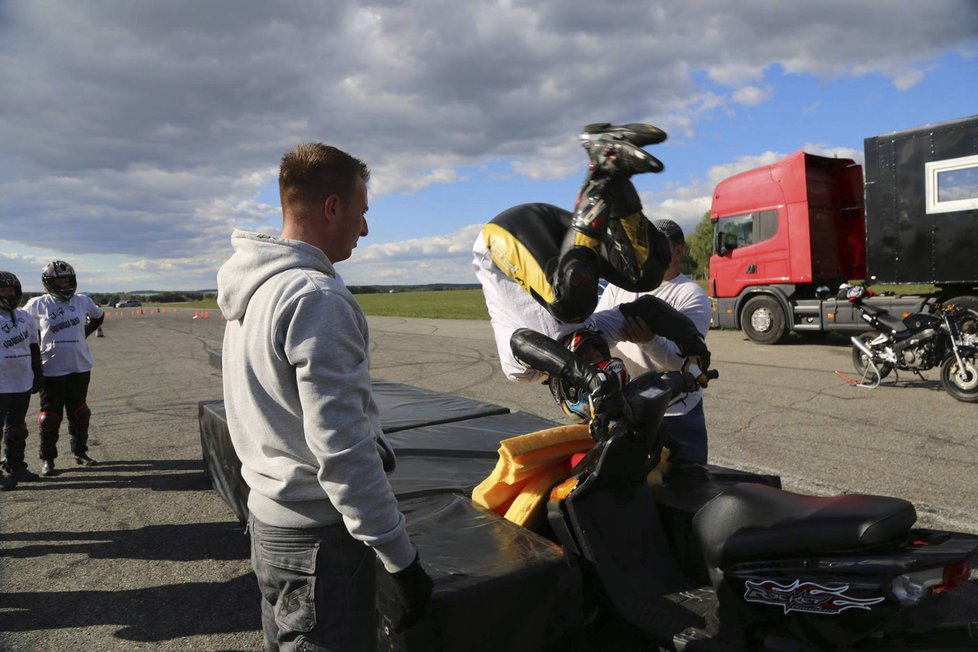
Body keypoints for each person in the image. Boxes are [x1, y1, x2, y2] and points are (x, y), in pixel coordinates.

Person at [216, 142, 432, 650]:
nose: (364, 228)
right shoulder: (317, 297)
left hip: (269, 523)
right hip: (319, 541)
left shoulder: (256, 287)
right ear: (332, 207)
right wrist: (401, 560)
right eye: (361, 212)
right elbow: (343, 448)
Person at [473, 123, 709, 384]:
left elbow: (522, 341)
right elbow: (649, 308)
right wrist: (693, 347)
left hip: (503, 237)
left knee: (571, 306)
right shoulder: (596, 332)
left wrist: (586, 377)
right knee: (646, 274)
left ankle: (598, 181)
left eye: (597, 364)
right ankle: (610, 167)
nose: (598, 357)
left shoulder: (523, 370)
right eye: (606, 359)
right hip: (562, 235)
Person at [595, 219, 712, 467]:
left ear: (678, 252)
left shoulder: (691, 295)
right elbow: (598, 334)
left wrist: (648, 340)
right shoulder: (619, 286)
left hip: (675, 414)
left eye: (655, 247)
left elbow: (684, 363)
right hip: (627, 409)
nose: (644, 255)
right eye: (641, 247)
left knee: (686, 491)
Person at [24, 261, 104, 477]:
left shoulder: (82, 301)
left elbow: (98, 316)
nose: (65, 283)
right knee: (50, 417)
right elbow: (24, 327)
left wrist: (83, 333)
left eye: (67, 279)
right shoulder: (37, 304)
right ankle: (48, 459)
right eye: (60, 280)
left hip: (79, 366)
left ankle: (80, 453)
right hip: (51, 368)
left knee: (80, 413)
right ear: (49, 283)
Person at [0, 272, 44, 489]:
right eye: (4, 290)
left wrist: (38, 372)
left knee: (17, 428)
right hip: (1, 383)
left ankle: (15, 466)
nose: (9, 294)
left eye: (12, 290)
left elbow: (34, 346)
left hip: (21, 382)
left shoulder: (25, 317)